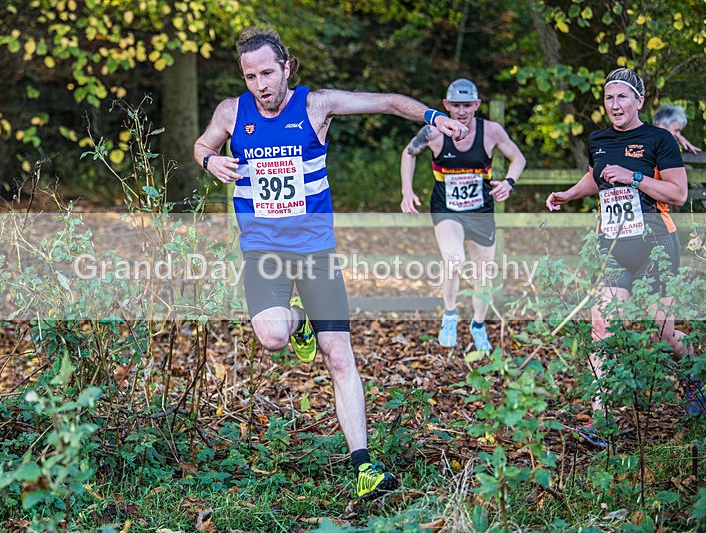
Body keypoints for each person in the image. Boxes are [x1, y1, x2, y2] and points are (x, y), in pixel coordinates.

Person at [193, 26, 468, 499]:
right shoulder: (231, 112)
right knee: (274, 337)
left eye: (266, 73)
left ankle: (364, 467)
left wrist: (433, 116)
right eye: (250, 75)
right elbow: (202, 145)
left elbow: (385, 102)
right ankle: (299, 324)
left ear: (285, 67)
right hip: (263, 250)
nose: (259, 84)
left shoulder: (316, 105)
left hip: (316, 251)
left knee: (338, 353)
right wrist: (209, 161)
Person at [545, 67, 692, 447]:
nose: (615, 104)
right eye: (609, 98)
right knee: (602, 327)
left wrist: (635, 178)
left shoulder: (659, 139)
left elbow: (678, 195)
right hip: (612, 245)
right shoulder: (599, 138)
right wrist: (567, 195)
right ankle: (602, 419)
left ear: (639, 101)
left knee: (662, 335)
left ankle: (692, 370)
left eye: (622, 97)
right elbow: (596, 177)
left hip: (657, 244)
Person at [400, 78, 526, 351]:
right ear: (446, 105)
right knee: (454, 260)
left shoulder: (491, 131)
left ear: (477, 105)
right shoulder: (433, 133)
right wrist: (407, 191)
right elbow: (408, 154)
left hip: (480, 211)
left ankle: (478, 325)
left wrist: (509, 182)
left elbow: (519, 158)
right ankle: (449, 314)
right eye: (455, 106)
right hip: (447, 210)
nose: (461, 112)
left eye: (467, 106)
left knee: (483, 274)